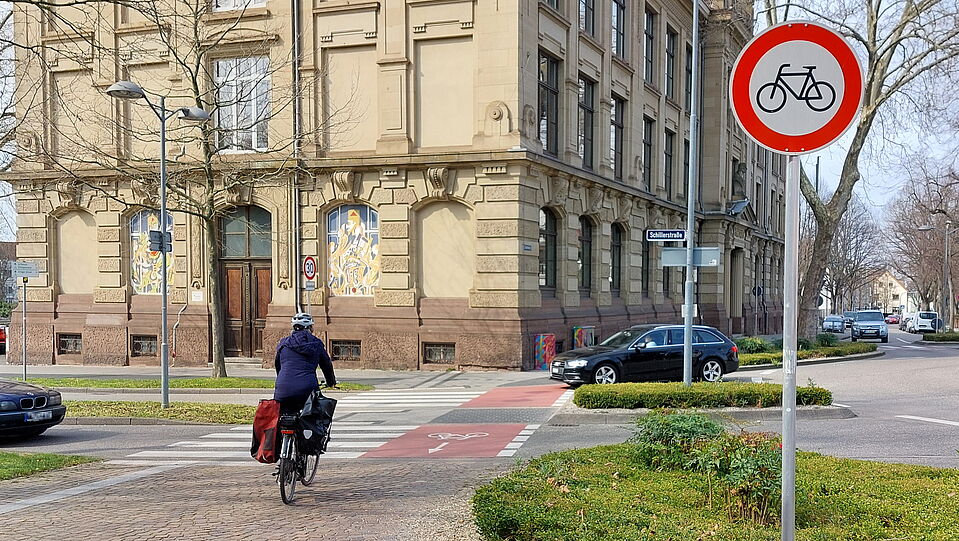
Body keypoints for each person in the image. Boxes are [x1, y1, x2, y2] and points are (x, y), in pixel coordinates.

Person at [274, 313, 337, 415]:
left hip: (283, 388)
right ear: (309, 328)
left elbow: (278, 366)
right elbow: (326, 366)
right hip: (308, 389)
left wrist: (282, 379)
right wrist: (331, 382)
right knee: (315, 416)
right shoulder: (316, 344)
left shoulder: (283, 343)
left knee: (280, 417)